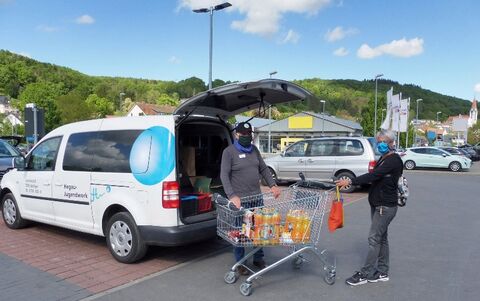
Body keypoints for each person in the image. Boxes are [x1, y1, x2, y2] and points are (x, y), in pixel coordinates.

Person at [335, 130, 403, 286]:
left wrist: (350, 181)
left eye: (383, 141)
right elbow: (376, 177)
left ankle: (365, 274)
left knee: (374, 239)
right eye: (378, 141)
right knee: (382, 239)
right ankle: (383, 271)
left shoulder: (393, 160)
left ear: (391, 142)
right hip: (379, 205)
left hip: (384, 207)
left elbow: (374, 176)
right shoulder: (385, 158)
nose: (380, 144)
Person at [220, 122, 281, 275]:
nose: (247, 137)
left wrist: (272, 185)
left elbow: (264, 169)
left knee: (259, 230)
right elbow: (224, 175)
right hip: (239, 202)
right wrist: (232, 196)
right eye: (244, 135)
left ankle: (258, 258)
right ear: (237, 135)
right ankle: (240, 262)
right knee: (240, 233)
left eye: (249, 135)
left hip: (256, 198)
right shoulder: (229, 152)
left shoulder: (254, 150)